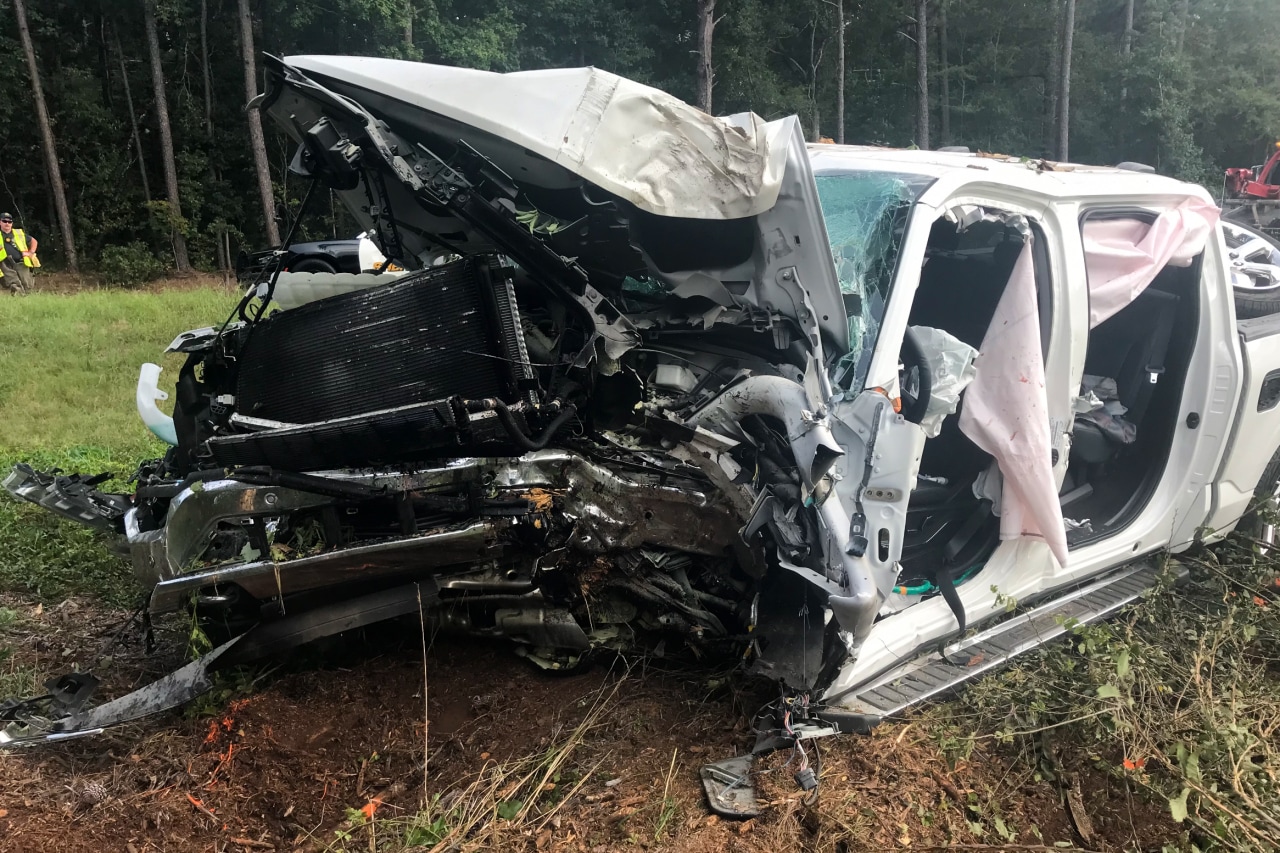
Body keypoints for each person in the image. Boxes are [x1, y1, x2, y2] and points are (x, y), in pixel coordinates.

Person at [0, 212, 37, 295]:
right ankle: (18, 299)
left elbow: (33, 241)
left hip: (21, 262)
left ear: (12, 223)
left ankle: (27, 302)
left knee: (27, 285)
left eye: (9, 222)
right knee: (14, 283)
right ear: (0, 222)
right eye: (4, 221)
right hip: (5, 264)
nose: (7, 223)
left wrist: (31, 252)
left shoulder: (18, 233)